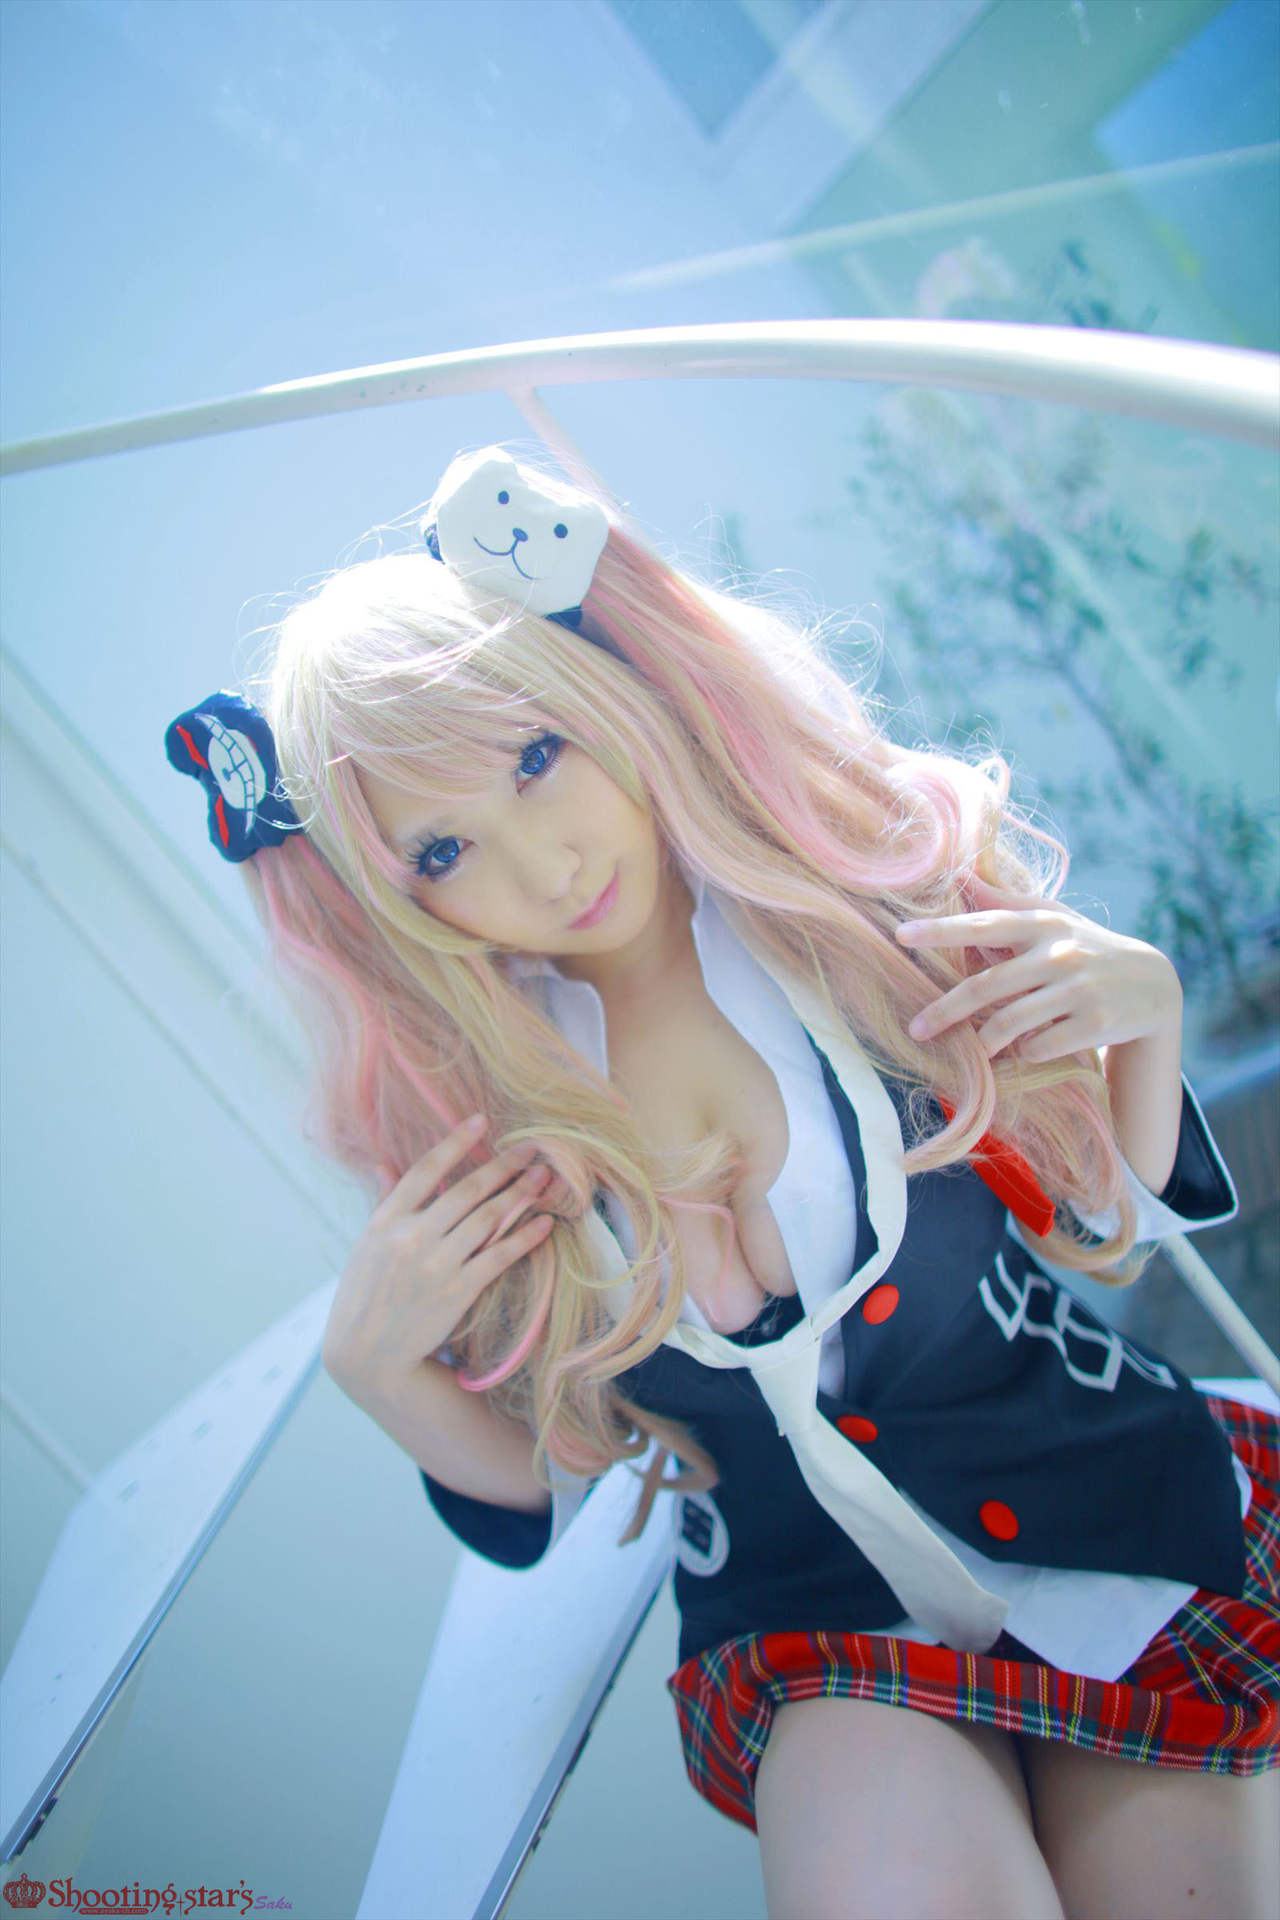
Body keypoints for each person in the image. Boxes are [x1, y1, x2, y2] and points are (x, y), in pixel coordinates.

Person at [166, 443, 1279, 1919]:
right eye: (442, 849)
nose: (543, 864)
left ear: (600, 686)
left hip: (1109, 1516)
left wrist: (1143, 1017)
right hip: (814, 1625)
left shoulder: (849, 911)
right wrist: (380, 1375)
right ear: (394, 902)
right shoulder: (498, 1116)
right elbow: (551, 1483)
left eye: (536, 756)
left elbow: (1102, 1232)